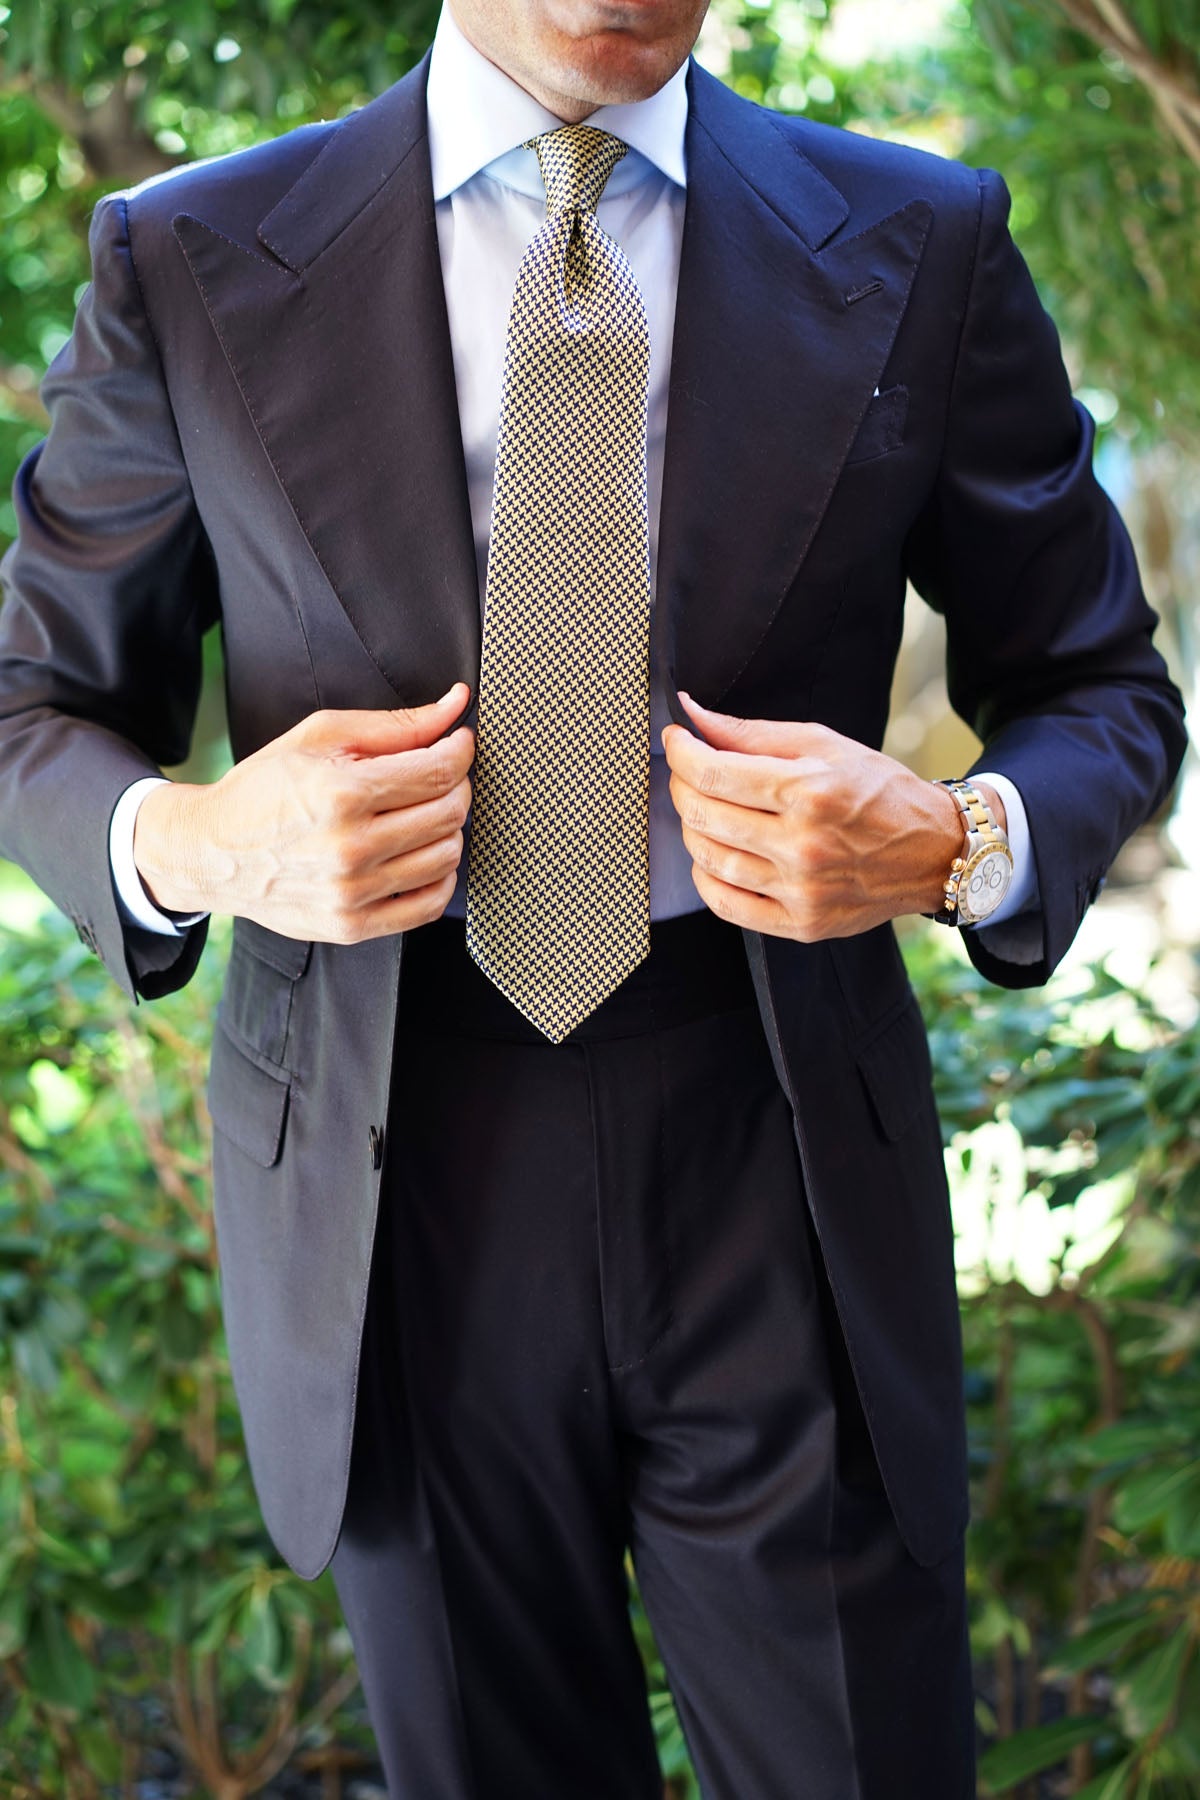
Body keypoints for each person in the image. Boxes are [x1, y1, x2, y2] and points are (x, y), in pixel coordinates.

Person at [0, 0, 1186, 1790]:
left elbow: (1105, 686)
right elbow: (36, 705)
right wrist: (201, 844)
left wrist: (957, 843)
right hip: (397, 1180)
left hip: (778, 1150)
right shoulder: (189, 257)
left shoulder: (922, 242)